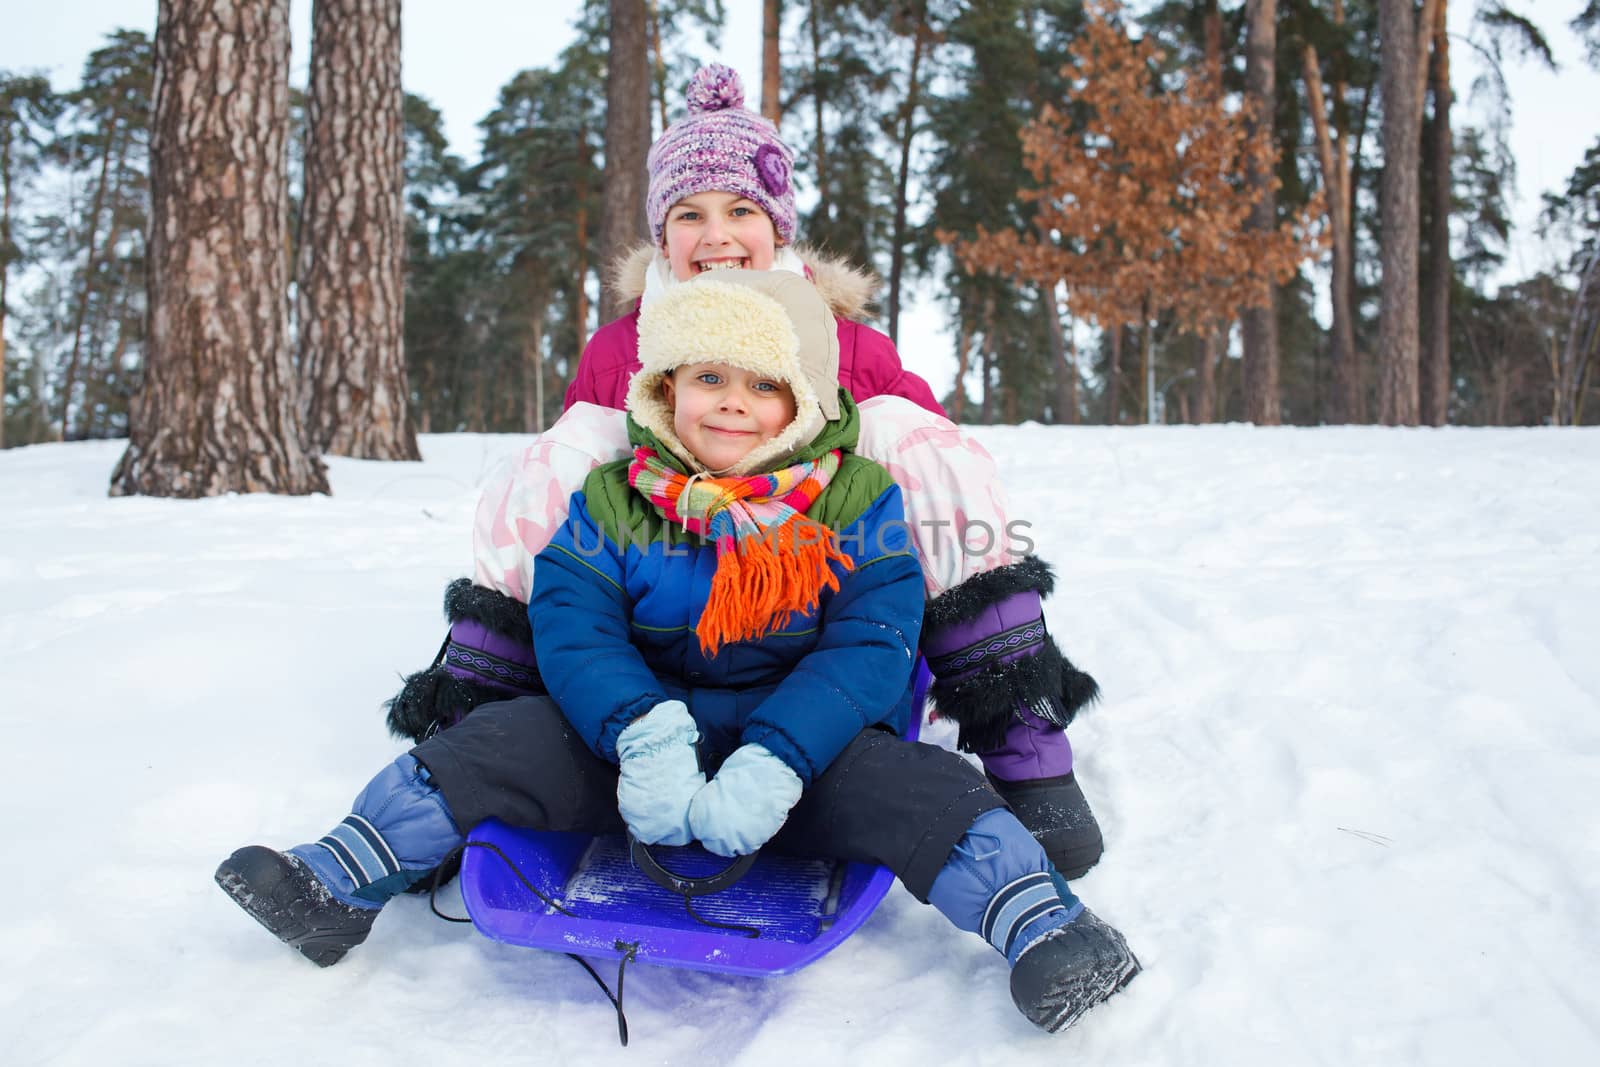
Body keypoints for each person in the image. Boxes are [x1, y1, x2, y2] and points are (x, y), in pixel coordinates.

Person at [216, 270, 1139, 1033]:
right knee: (496, 745)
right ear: (664, 389)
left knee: (926, 791)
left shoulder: (856, 498)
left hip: (809, 754)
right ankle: (336, 881)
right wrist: (640, 732)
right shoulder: (616, 497)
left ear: (801, 399)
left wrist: (781, 753)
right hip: (634, 754)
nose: (733, 402)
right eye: (708, 379)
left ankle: (1044, 926)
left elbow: (873, 640)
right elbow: (575, 624)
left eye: (762, 383)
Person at [387, 64, 1106, 881]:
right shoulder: (620, 349)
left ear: (778, 228)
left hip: (812, 563)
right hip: (664, 574)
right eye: (689, 215)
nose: (716, 234)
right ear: (662, 237)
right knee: (565, 443)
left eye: (741, 211)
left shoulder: (846, 342)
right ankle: (479, 727)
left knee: (918, 436)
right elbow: (588, 500)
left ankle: (1023, 739)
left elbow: (919, 454)